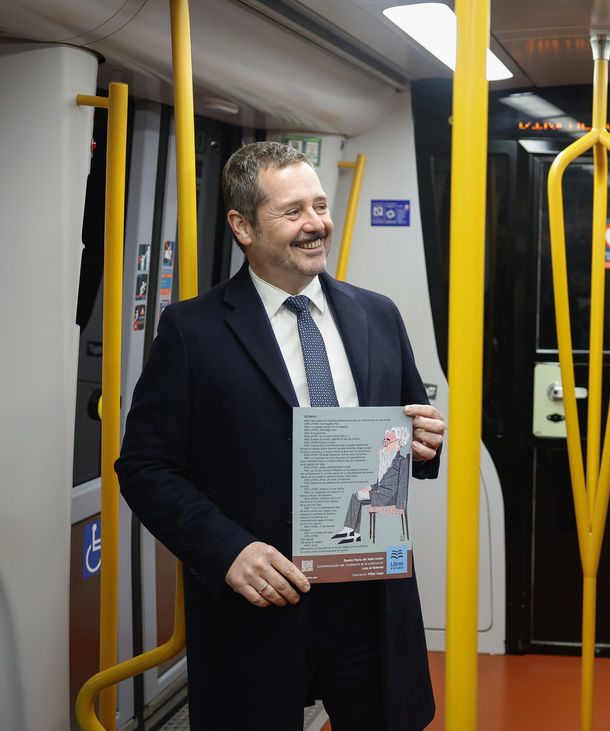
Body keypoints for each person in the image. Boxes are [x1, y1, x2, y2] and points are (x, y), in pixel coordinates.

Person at [117, 141, 445, 730]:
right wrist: (228, 552)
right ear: (242, 226)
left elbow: (409, 431)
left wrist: (426, 443)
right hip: (259, 603)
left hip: (370, 602)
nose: (315, 224)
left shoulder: (379, 314)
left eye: (319, 206)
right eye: (292, 212)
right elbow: (145, 468)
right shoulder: (193, 332)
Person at [334, 426, 411, 544]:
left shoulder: (402, 461)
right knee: (358, 496)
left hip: (389, 497)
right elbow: (382, 482)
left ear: (399, 442)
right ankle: (355, 534)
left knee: (356, 496)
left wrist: (401, 506)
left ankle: (349, 530)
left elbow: (402, 485)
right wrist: (370, 487)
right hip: (381, 493)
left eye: (388, 441)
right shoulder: (387, 460)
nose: (385, 444)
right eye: (384, 441)